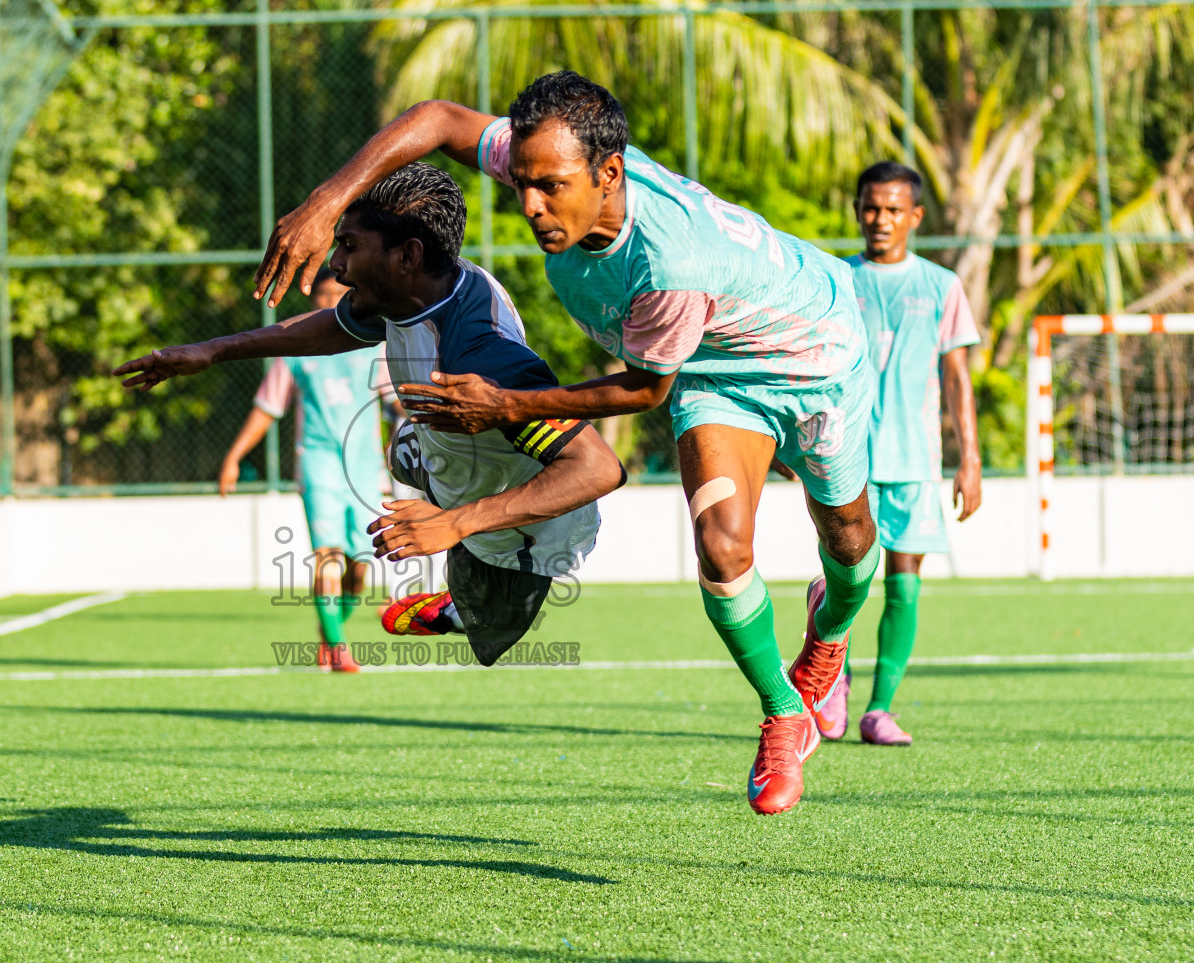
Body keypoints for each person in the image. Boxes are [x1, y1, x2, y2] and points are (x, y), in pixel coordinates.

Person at [254, 72, 879, 815]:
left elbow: (642, 391)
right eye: (521, 183)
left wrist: (506, 405)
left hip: (817, 354)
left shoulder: (668, 266)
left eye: (548, 187)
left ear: (609, 174)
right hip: (717, 375)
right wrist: (328, 201)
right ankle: (783, 713)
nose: (529, 205)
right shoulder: (559, 158)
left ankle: (830, 636)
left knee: (846, 540)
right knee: (722, 548)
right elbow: (441, 118)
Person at [116, 163, 626, 667]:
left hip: (524, 526)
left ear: (407, 256)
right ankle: (424, 461)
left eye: (348, 246)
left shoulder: (482, 359)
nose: (335, 266)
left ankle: (457, 608)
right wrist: (214, 350)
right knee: (409, 445)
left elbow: (598, 467)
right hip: (454, 459)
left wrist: (454, 524)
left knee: (492, 637)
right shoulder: (413, 290)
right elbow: (331, 327)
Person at [819, 161, 983, 746]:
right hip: (846, 457)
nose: (880, 219)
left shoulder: (941, 286)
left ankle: (879, 708)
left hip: (915, 460)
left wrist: (971, 458)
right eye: (871, 207)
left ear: (914, 216)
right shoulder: (836, 279)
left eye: (893, 209)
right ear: (858, 209)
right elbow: (811, 367)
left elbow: (957, 377)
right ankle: (831, 685)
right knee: (847, 581)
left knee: (906, 582)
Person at [219, 267, 388, 672]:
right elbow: (267, 408)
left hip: (365, 469)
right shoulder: (297, 350)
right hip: (319, 463)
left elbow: (398, 400)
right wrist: (234, 457)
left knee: (360, 567)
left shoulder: (375, 346)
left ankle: (329, 632)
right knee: (326, 555)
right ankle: (338, 646)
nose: (327, 304)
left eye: (336, 296)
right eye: (321, 297)